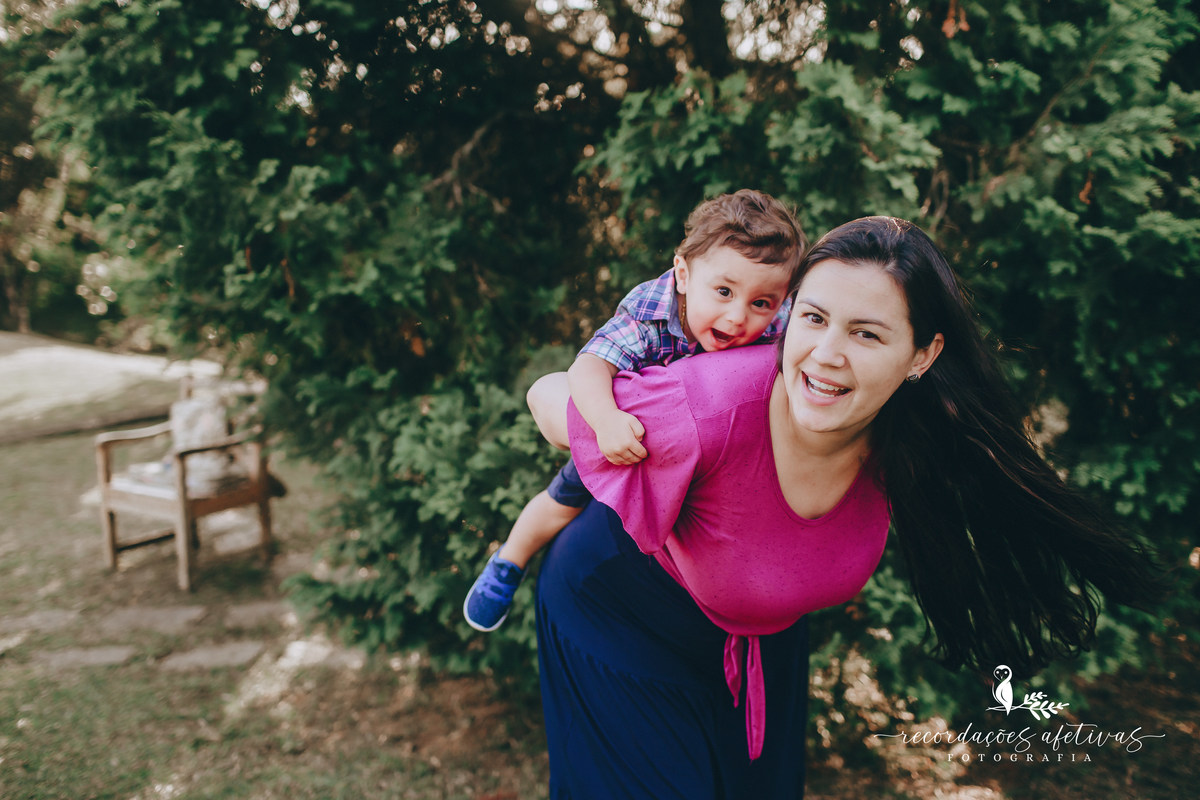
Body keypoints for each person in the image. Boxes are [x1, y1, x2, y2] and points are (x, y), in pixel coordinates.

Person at [527, 216, 1164, 799]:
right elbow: (552, 394)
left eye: (865, 333)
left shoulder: (912, 436)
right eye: (813, 318)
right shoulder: (710, 405)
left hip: (757, 638)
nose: (827, 353)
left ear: (922, 356)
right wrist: (592, 425)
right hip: (617, 617)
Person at [463, 189, 807, 631]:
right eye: (723, 291)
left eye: (761, 302)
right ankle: (509, 561)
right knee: (562, 500)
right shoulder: (650, 311)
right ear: (683, 274)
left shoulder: (781, 319)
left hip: (710, 446)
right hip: (631, 428)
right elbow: (589, 366)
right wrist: (605, 422)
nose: (739, 316)